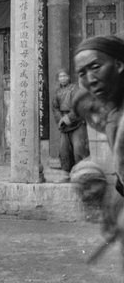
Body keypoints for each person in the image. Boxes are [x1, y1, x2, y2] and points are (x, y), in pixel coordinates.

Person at [73, 35, 124, 192]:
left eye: (95, 67)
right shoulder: (115, 116)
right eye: (82, 73)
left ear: (119, 64)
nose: (91, 79)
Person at [70, 160, 124, 267]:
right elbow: (112, 232)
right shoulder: (107, 202)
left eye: (86, 188)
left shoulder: (115, 200)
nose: (84, 195)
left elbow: (117, 228)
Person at [51, 69, 90, 172]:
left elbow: (79, 105)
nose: (63, 78)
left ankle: (82, 173)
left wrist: (68, 118)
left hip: (77, 123)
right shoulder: (57, 92)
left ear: (69, 77)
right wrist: (61, 120)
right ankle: (66, 174)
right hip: (64, 125)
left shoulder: (75, 89)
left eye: (65, 76)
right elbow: (55, 108)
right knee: (64, 151)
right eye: (60, 76)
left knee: (79, 149)